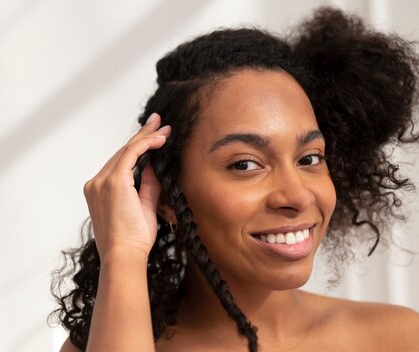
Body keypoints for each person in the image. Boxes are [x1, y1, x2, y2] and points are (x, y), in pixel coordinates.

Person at [51, 7, 419, 351]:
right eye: (245, 165)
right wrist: (123, 254)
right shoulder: (107, 341)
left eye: (309, 158)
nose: (297, 195)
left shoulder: (397, 338)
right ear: (167, 195)